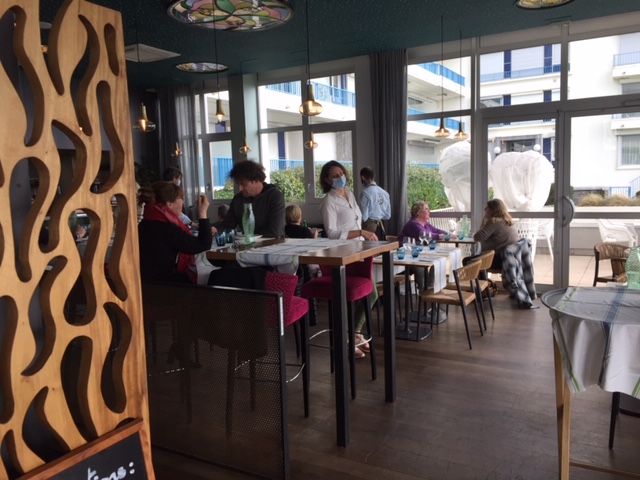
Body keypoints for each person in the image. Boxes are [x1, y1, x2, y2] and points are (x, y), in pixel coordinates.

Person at [138, 181, 266, 289]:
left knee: (228, 270)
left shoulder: (144, 224)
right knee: (236, 275)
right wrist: (203, 213)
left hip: (148, 286)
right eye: (180, 199)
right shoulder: (167, 228)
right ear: (169, 204)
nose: (182, 203)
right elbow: (203, 244)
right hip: (167, 287)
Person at [319, 160, 377, 358]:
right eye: (334, 175)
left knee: (371, 293)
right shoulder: (329, 201)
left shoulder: (350, 194)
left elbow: (355, 220)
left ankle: (355, 333)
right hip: (342, 254)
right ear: (327, 180)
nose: (339, 177)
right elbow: (332, 233)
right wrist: (361, 232)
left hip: (358, 251)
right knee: (344, 297)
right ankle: (345, 340)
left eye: (341, 173)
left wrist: (363, 235)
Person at [218, 160, 285, 239]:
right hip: (247, 244)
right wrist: (216, 230)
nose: (240, 189)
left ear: (256, 181)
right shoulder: (238, 200)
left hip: (273, 244)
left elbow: (274, 231)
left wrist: (247, 236)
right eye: (238, 184)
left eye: (243, 184)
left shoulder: (274, 196)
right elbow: (227, 226)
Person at [397, 201, 451, 292]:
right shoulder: (413, 224)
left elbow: (436, 230)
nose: (429, 211)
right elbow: (425, 235)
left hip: (417, 253)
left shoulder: (425, 223)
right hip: (405, 255)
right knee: (421, 267)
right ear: (419, 213)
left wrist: (449, 234)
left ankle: (429, 285)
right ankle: (423, 289)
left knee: (439, 259)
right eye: (426, 209)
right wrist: (440, 236)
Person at [473, 198, 519, 271]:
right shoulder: (508, 221)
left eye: (487, 207)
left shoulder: (494, 221)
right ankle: (482, 277)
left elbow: (477, 237)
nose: (485, 209)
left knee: (467, 261)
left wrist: (484, 222)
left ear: (493, 209)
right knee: (475, 259)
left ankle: (482, 278)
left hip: (498, 259)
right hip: (511, 259)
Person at [359, 166, 390, 241]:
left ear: (362, 177)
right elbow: (387, 216)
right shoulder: (385, 193)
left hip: (369, 229)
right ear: (374, 176)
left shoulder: (365, 193)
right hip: (381, 229)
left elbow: (364, 217)